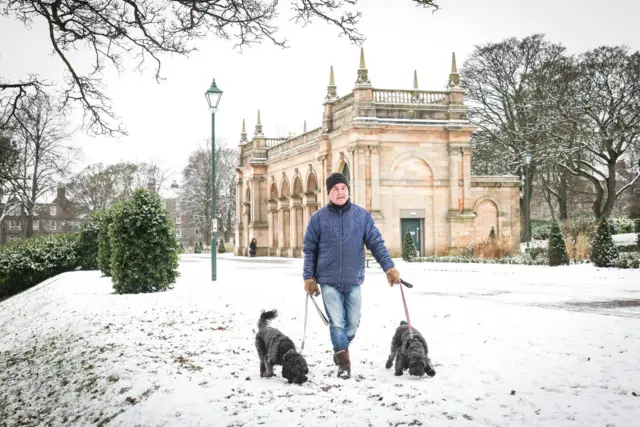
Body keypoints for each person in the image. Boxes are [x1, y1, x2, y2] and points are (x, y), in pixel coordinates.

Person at [302, 172, 401, 379]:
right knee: (336, 322)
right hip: (328, 281)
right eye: (335, 189)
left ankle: (340, 349)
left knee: (353, 322)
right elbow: (309, 250)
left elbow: (376, 243)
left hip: (353, 279)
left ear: (348, 190)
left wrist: (389, 268)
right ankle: (344, 365)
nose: (340, 192)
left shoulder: (361, 216)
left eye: (343, 188)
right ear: (329, 193)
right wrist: (309, 277)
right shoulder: (317, 219)